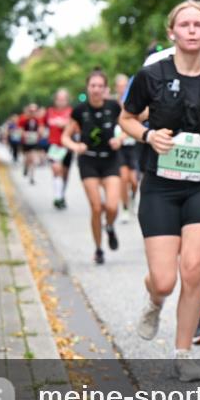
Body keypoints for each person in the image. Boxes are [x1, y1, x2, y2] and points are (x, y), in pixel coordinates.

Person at [123, 0, 200, 381]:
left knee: (192, 270)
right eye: (185, 24)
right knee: (164, 279)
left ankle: (182, 352)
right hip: (160, 184)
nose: (192, 30)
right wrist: (146, 134)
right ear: (171, 32)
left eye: (198, 25)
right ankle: (154, 302)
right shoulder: (151, 74)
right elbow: (126, 118)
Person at [61, 70, 124, 265]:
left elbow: (131, 125)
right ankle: (98, 249)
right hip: (88, 161)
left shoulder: (114, 106)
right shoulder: (80, 110)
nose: (96, 89)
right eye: (92, 86)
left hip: (110, 160)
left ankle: (110, 227)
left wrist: (120, 139)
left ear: (106, 89)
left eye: (100, 86)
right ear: (88, 87)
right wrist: (76, 146)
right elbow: (65, 137)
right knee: (97, 208)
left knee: (112, 206)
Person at [113, 74, 141, 223]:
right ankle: (124, 208)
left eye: (125, 85)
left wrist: (123, 136)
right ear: (116, 87)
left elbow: (135, 124)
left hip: (133, 146)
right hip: (119, 149)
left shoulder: (133, 103)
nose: (123, 88)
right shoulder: (113, 105)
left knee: (134, 180)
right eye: (121, 86)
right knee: (123, 178)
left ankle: (132, 199)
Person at [44, 89, 75, 210]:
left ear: (67, 100)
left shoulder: (71, 112)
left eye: (63, 99)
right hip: (54, 146)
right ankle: (57, 197)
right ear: (55, 100)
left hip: (67, 147)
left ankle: (61, 195)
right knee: (57, 169)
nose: (61, 101)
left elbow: (76, 127)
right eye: (59, 99)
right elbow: (43, 125)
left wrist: (66, 125)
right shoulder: (49, 112)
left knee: (65, 174)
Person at [17, 103, 45, 185]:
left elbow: (41, 128)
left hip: (35, 141)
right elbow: (20, 129)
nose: (33, 113)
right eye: (31, 111)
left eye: (34, 111)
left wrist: (40, 132)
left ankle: (32, 177)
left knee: (33, 159)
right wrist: (24, 134)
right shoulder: (23, 118)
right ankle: (25, 167)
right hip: (25, 142)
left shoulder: (38, 119)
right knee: (27, 158)